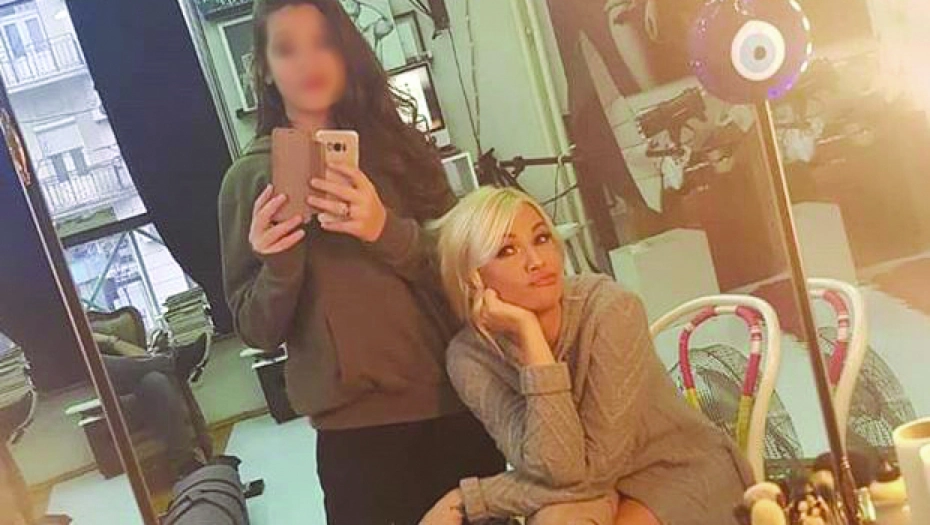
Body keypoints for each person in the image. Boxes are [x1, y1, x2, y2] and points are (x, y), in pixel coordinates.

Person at [217, 1, 504, 524]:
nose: (308, 61)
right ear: (264, 68)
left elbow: (465, 272)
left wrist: (382, 228)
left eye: (322, 42)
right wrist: (279, 263)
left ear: (345, 51)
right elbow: (257, 331)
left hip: (455, 404)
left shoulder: (402, 150)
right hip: (355, 437)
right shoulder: (249, 181)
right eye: (287, 48)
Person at [422, 187, 753, 525]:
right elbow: (552, 469)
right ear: (472, 278)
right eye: (507, 250)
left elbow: (595, 470)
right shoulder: (470, 358)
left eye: (541, 238)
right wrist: (532, 343)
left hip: (677, 468)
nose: (537, 261)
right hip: (580, 489)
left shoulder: (610, 308)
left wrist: (471, 498)